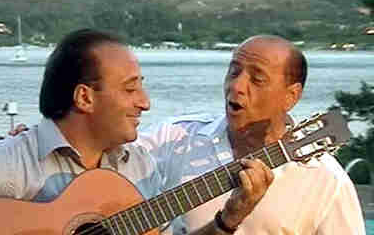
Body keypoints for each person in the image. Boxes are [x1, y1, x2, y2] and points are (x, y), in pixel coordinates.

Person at [0, 29, 272, 234]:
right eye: (130, 89)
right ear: (85, 98)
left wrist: (229, 219)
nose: (145, 102)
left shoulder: (140, 167)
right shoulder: (4, 164)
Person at [137, 35, 366, 234]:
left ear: (291, 96)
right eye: (234, 72)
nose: (236, 86)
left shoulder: (327, 181)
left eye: (257, 80)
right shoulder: (172, 138)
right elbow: (106, 164)